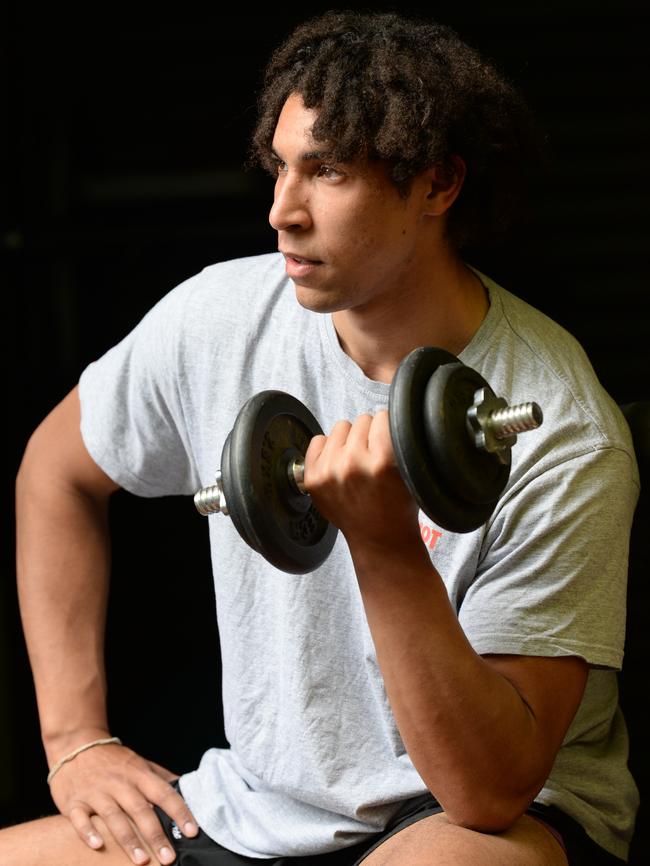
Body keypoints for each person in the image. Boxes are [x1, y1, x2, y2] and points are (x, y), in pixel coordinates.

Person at [4, 9, 640, 866]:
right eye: (279, 168)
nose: (281, 212)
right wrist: (75, 739)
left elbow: (491, 790)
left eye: (329, 173)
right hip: (260, 809)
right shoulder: (219, 319)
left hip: (473, 820)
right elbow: (55, 471)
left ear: (437, 186)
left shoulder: (559, 427)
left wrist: (383, 542)